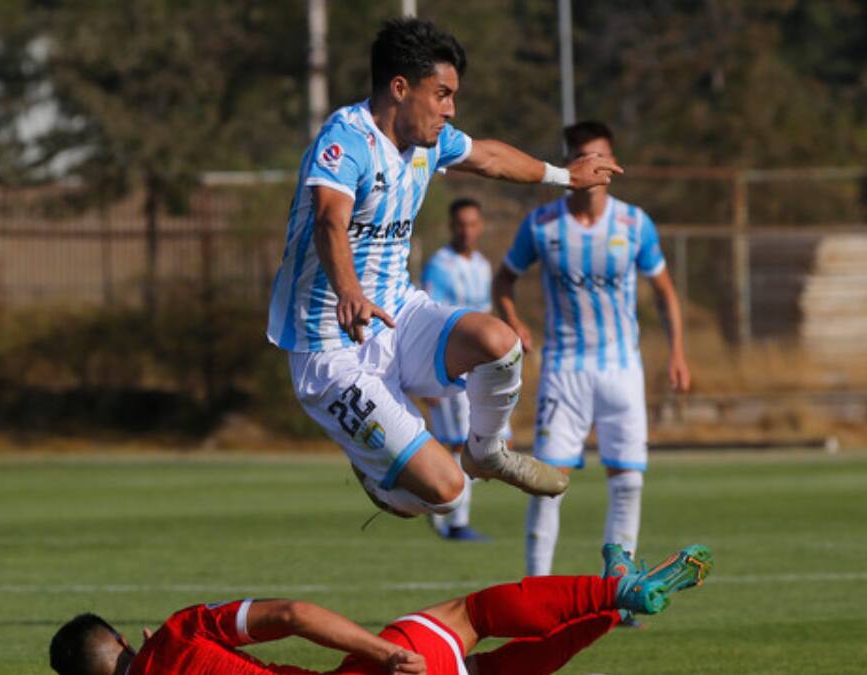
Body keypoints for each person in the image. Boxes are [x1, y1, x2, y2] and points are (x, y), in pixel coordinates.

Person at [265, 19, 622, 519]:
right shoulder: (346, 140)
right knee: (446, 495)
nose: (450, 109)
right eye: (442, 94)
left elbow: (490, 158)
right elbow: (329, 220)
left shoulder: (427, 145)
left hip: (398, 315)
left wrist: (565, 176)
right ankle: (375, 470)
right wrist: (348, 290)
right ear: (400, 88)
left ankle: (487, 451)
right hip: (329, 349)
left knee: (499, 344)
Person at [493, 121, 690, 579]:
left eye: (602, 156)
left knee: (628, 483)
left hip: (622, 370)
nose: (595, 166)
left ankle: (617, 592)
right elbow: (503, 281)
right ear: (570, 163)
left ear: (615, 162)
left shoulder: (634, 223)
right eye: (585, 157)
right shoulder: (542, 225)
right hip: (564, 371)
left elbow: (664, 291)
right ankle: (535, 592)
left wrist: (678, 352)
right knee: (547, 484)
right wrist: (514, 320)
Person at [48, 544, 713, 675]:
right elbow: (292, 613)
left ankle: (609, 610)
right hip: (373, 673)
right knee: (470, 616)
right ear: (123, 641)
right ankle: (612, 594)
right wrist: (382, 652)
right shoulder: (178, 633)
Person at [419, 198, 504, 541]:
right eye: (460, 224)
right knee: (459, 445)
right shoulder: (439, 266)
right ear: (451, 227)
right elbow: (428, 318)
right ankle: (455, 521)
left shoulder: (482, 266)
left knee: (481, 446)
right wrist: (427, 377)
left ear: (480, 226)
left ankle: (435, 501)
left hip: (477, 369)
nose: (467, 231)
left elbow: (485, 317)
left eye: (472, 224)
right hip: (448, 367)